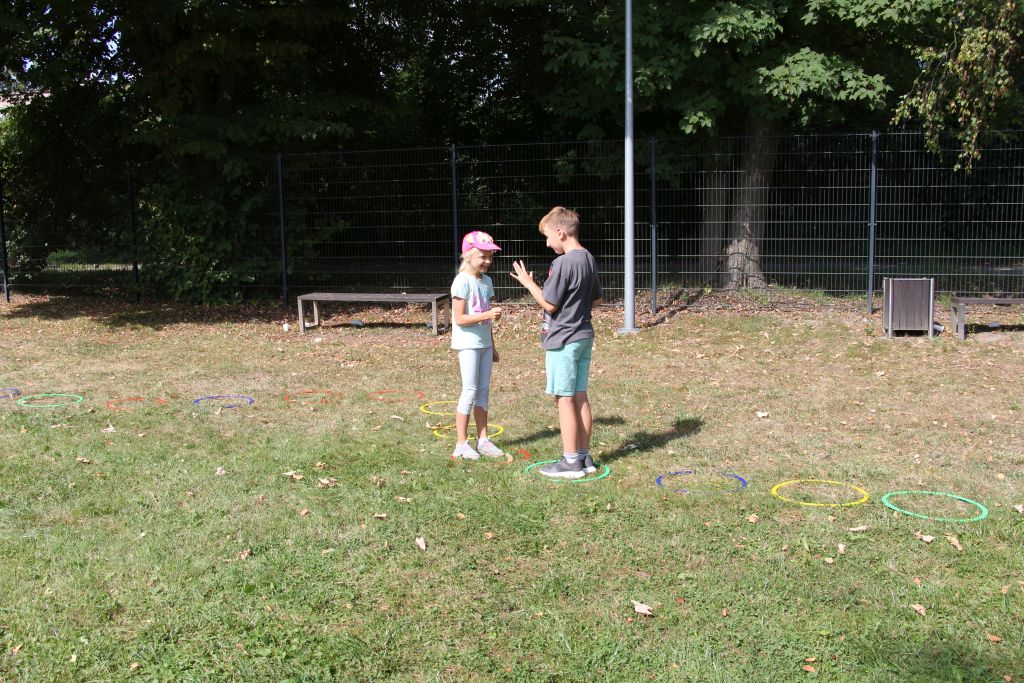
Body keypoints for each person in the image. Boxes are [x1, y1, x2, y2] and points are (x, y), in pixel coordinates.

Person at [509, 207, 603, 479]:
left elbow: (549, 304)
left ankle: (571, 462)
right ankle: (584, 456)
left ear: (560, 233)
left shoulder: (563, 263)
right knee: (580, 396)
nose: (547, 243)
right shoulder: (588, 258)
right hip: (584, 336)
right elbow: (597, 299)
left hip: (563, 338)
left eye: (548, 237)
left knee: (564, 399)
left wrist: (528, 283)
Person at [449, 230, 505, 460]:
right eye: (483, 256)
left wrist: (492, 345)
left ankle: (483, 440)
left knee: (483, 391)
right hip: (468, 344)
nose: (488, 261)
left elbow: (486, 318)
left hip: (484, 344)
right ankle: (461, 444)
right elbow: (460, 318)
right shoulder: (462, 281)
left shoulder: (487, 282)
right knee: (470, 390)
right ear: (468, 255)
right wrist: (488, 315)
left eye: (490, 257)